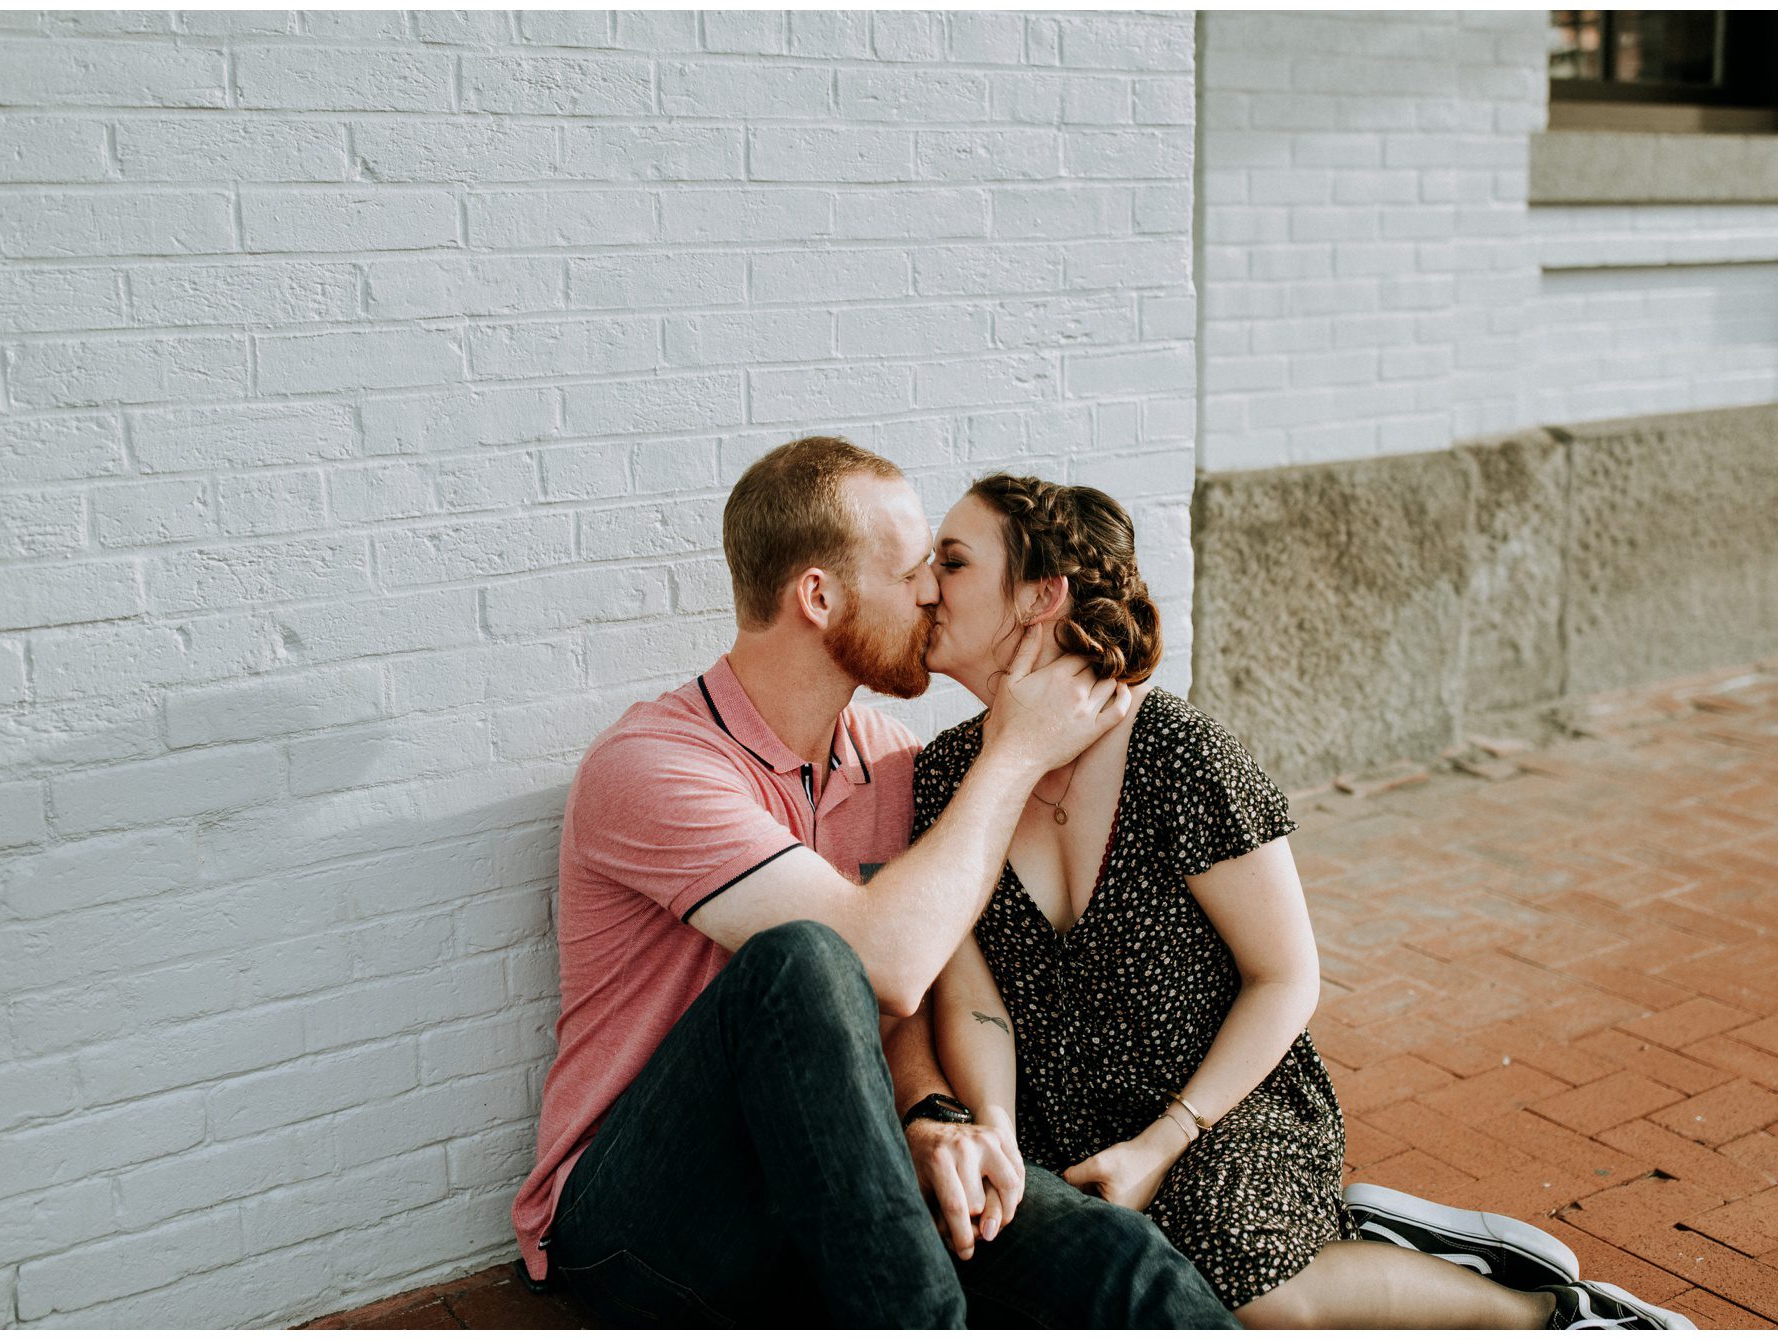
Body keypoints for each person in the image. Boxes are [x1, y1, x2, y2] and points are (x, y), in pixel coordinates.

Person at [905, 472, 1697, 1331]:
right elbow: (976, 1002)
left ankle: (1544, 1310)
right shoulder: (949, 780)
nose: (923, 587)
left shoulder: (1178, 755)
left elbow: (1284, 976)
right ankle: (1364, 1235)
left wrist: (1162, 1141)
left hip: (1223, 1104)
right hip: (1059, 1122)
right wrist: (995, 1132)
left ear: (1040, 596)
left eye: (951, 563)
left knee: (1252, 1294)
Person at [510, 437, 1238, 1327]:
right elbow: (875, 963)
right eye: (912, 572)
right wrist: (1013, 755)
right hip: (646, 1218)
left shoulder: (892, 763)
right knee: (805, 963)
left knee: (1114, 1259)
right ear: (818, 596)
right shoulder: (654, 766)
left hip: (838, 1182)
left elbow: (905, 1004)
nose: (933, 590)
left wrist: (932, 1114)